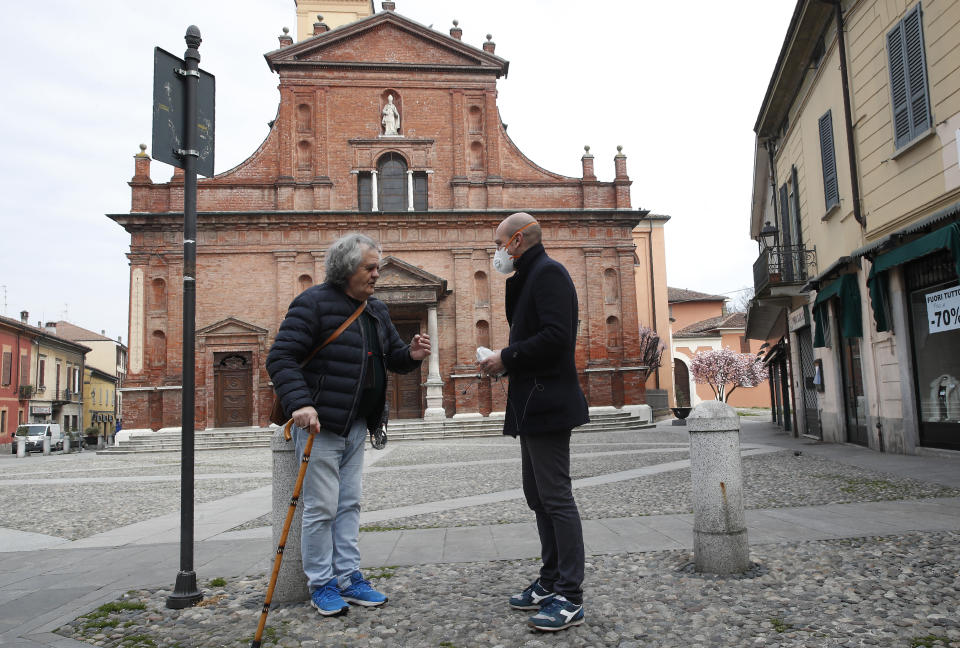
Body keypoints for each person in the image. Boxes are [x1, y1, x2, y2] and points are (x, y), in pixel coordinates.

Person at [266, 232, 431, 617]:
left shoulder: (376, 310)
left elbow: (393, 357)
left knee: (349, 505)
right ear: (345, 270)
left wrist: (412, 354)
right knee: (322, 508)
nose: (377, 274)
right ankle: (321, 584)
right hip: (320, 427)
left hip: (359, 424)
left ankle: (350, 577)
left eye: (377, 267)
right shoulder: (313, 303)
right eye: (370, 268)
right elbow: (281, 359)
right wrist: (301, 404)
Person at [478, 212, 589, 632]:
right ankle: (549, 581)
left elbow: (558, 337)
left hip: (548, 403)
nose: (496, 251)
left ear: (518, 240)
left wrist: (505, 357)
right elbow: (532, 340)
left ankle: (571, 596)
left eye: (499, 242)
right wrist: (505, 364)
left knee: (556, 498)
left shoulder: (549, 274)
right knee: (537, 496)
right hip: (530, 402)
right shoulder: (526, 276)